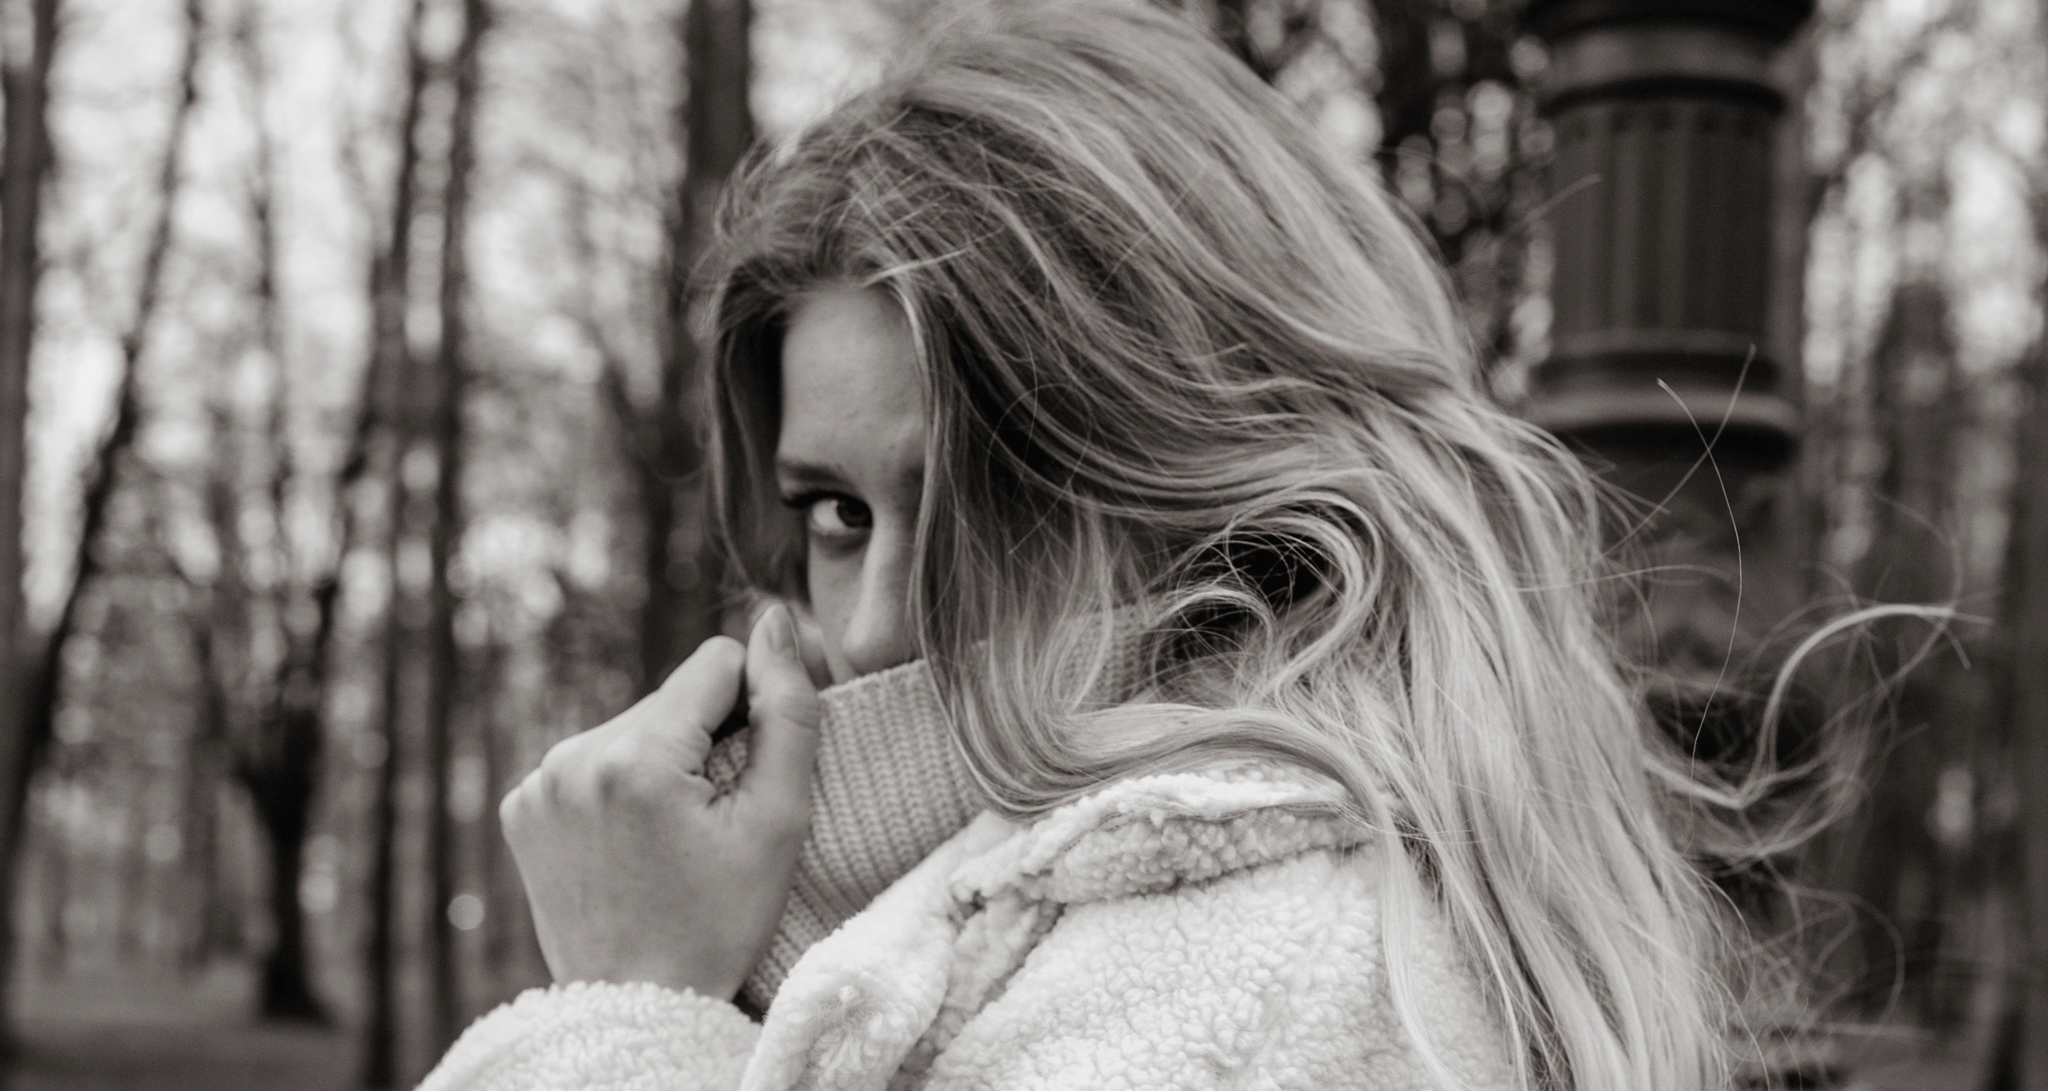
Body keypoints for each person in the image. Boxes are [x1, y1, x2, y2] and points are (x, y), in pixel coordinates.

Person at [421, 4, 1770, 1088]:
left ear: (1218, 493)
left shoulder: (1263, 974)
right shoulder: (1014, 932)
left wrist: (626, 1013)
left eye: (991, 504)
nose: (875, 626)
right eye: (837, 513)